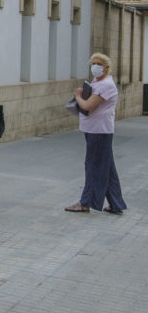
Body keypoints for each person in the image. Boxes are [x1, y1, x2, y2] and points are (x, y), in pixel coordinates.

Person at [65, 53, 126, 214]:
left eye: (99, 63)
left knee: (94, 166)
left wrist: (78, 96)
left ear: (106, 67)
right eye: (93, 63)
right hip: (94, 129)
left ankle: (85, 202)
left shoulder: (106, 84)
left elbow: (87, 106)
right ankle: (116, 203)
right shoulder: (97, 82)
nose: (95, 66)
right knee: (107, 167)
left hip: (99, 130)